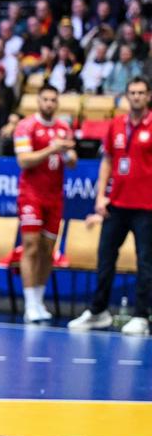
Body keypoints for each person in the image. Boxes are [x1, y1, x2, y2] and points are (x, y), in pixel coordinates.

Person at [69, 76, 152, 336]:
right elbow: (107, 160)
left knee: (146, 262)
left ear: (148, 96)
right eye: (132, 93)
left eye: (141, 93)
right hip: (116, 204)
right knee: (105, 259)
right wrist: (100, 197)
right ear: (127, 96)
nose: (136, 97)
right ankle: (98, 311)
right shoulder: (116, 124)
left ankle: (141, 315)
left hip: (146, 207)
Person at [13, 85, 77, 324]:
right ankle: (29, 304)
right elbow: (23, 160)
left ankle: (39, 301)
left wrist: (67, 153)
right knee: (30, 246)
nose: (49, 103)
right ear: (39, 102)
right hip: (31, 195)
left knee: (48, 250)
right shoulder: (26, 126)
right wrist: (53, 148)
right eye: (45, 99)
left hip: (54, 195)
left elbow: (72, 161)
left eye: (53, 100)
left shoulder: (63, 128)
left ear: (57, 103)